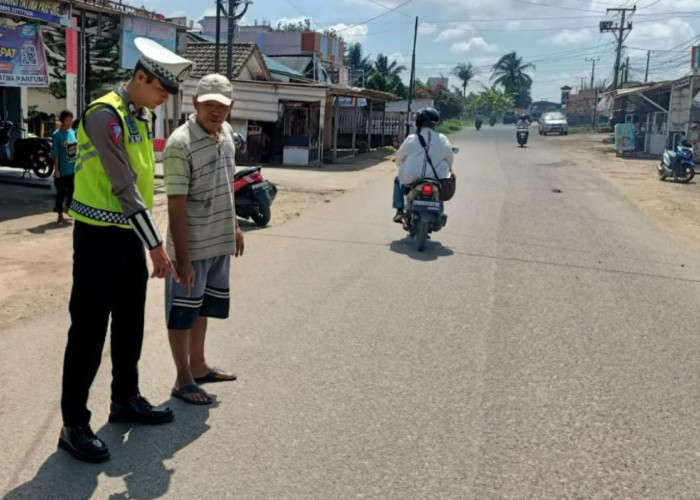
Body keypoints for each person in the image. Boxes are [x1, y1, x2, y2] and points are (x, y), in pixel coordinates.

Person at [58, 37, 194, 463]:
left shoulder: (139, 115)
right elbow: (123, 187)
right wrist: (157, 245)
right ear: (140, 76)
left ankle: (125, 399)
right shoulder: (104, 115)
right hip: (98, 238)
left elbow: (143, 180)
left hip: (128, 239)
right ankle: (73, 424)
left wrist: (146, 241)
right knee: (88, 331)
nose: (162, 100)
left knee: (130, 323)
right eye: (159, 90)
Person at [163, 74, 243, 405]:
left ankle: (198, 365)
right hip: (191, 246)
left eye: (221, 105)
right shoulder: (179, 144)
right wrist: (182, 259)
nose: (215, 111)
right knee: (182, 311)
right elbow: (175, 204)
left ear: (230, 107)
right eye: (208, 103)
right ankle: (182, 379)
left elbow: (227, 185)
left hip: (218, 240)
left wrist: (235, 225)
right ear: (194, 102)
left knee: (202, 308)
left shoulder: (226, 135)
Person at [392, 107, 454, 223]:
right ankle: (440, 213)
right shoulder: (443, 139)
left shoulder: (411, 138)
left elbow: (399, 159)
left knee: (397, 180)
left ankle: (399, 211)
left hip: (412, 178)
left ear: (418, 122)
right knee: (440, 188)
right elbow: (449, 159)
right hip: (435, 179)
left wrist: (401, 163)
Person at [52, 110, 77, 223]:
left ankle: (67, 207)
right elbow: (55, 153)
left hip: (73, 169)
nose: (70, 122)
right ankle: (59, 214)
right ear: (62, 120)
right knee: (60, 193)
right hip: (62, 170)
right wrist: (56, 169)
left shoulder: (72, 132)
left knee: (73, 191)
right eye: (67, 119)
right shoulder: (57, 135)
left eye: (71, 119)